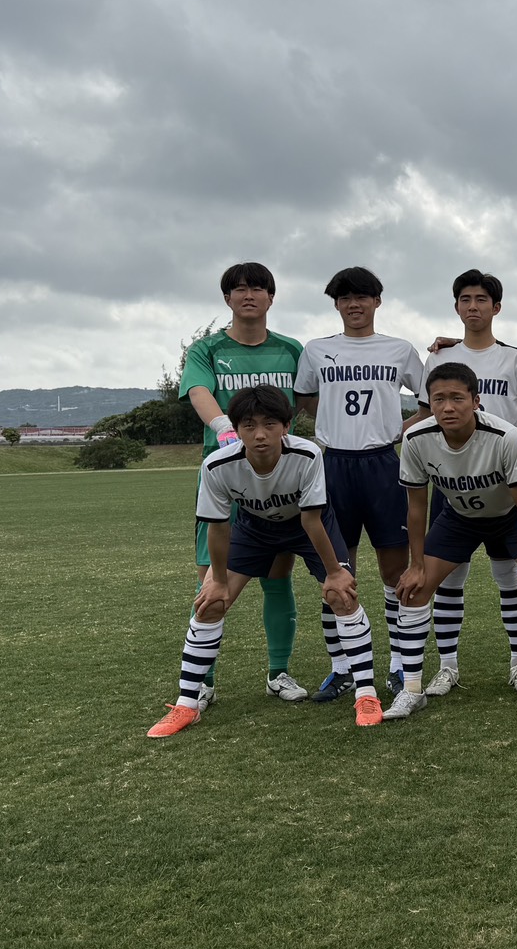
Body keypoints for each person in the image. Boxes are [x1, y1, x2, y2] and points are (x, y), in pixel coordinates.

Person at [147, 385, 378, 737]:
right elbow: (218, 528)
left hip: (307, 525)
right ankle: (186, 704)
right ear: (236, 429)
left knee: (341, 596)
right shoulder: (217, 465)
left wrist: (334, 572)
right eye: (249, 425)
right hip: (253, 528)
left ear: (286, 426)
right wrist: (218, 580)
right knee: (210, 603)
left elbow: (312, 520)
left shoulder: (307, 454)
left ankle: (367, 695)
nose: (259, 434)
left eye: (270, 424)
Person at [388, 363, 517, 719]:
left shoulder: (504, 436)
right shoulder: (416, 438)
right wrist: (416, 565)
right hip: (459, 519)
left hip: (510, 518)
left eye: (457, 398)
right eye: (438, 399)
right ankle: (412, 690)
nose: (447, 407)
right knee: (413, 590)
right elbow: (416, 508)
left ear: (476, 401)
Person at [418, 270, 517, 697]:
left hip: (506, 483)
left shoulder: (514, 360)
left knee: (512, 576)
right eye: (465, 299)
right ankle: (447, 667)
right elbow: (425, 417)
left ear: (496, 307)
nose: (473, 306)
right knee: (449, 579)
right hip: (451, 484)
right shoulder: (438, 360)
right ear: (456, 306)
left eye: (482, 299)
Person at [178, 262, 307, 708]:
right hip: (225, 477)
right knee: (212, 583)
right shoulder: (207, 349)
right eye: (239, 289)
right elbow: (199, 392)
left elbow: (306, 401)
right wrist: (224, 429)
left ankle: (278, 672)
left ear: (271, 297)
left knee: (277, 576)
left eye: (257, 288)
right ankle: (203, 682)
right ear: (227, 299)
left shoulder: (291, 350)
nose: (248, 295)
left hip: (279, 479)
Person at [295, 267, 425, 704]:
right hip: (333, 465)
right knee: (336, 570)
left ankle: (399, 664)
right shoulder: (317, 350)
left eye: (363, 296)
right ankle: (343, 668)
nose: (354, 304)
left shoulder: (399, 349)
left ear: (377, 301)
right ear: (336, 304)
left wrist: (397, 429)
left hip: (384, 465)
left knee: (395, 571)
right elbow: (306, 398)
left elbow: (428, 399)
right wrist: (335, 422)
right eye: (345, 297)